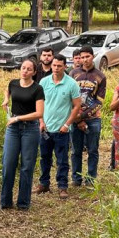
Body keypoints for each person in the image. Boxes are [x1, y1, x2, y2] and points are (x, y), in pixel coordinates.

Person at [34, 54, 82, 199]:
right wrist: (41, 121)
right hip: (46, 128)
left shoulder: (71, 84)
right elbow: (39, 103)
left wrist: (67, 124)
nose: (56, 68)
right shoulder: (44, 82)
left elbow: (77, 105)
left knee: (62, 160)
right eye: (54, 65)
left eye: (59, 66)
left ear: (65, 66)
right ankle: (44, 183)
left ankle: (62, 186)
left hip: (62, 129)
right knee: (44, 157)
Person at [1, 59, 44, 210]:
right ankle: (5, 202)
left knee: (27, 166)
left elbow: (39, 113)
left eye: (28, 69)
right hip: (13, 128)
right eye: (23, 68)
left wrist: (18, 118)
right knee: (8, 164)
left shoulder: (37, 89)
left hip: (30, 128)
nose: (25, 71)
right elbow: (8, 91)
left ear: (34, 72)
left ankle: (23, 202)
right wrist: (6, 99)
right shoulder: (13, 83)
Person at [69, 45, 107, 186]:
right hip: (75, 117)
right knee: (76, 150)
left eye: (87, 56)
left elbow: (100, 101)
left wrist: (83, 116)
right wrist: (77, 118)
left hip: (93, 118)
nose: (85, 60)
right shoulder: (73, 74)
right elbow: (68, 97)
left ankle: (91, 178)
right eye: (82, 57)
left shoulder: (100, 76)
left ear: (93, 56)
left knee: (93, 150)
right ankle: (76, 178)